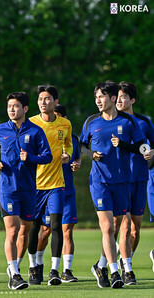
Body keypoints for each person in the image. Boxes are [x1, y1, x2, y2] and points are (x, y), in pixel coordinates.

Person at [80, 81, 145, 289]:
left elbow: (141, 145)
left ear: (113, 98)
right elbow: (81, 145)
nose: (98, 100)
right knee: (108, 227)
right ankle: (114, 270)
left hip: (124, 181)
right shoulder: (91, 121)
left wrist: (133, 147)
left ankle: (116, 267)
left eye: (102, 96)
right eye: (96, 97)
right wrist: (91, 155)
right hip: (100, 182)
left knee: (123, 226)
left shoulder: (128, 122)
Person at [0, 92, 52, 290]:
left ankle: (15, 267)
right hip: (7, 188)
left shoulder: (35, 131)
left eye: (16, 106)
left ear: (25, 109)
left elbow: (48, 156)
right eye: (9, 106)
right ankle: (15, 273)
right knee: (12, 230)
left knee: (24, 233)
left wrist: (31, 158)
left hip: (28, 189)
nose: (11, 109)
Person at [24, 86, 73, 286]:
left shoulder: (65, 124)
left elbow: (68, 143)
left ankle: (54, 270)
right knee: (34, 227)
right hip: (34, 184)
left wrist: (67, 155)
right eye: (41, 99)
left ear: (56, 102)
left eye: (47, 99)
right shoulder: (31, 123)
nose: (43, 102)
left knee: (55, 226)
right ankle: (34, 266)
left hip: (56, 183)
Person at [34, 104, 81, 283]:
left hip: (66, 190)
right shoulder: (41, 135)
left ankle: (66, 270)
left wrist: (76, 163)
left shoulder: (72, 138)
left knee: (66, 230)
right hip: (47, 188)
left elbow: (76, 156)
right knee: (45, 231)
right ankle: (38, 263)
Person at [115, 82, 154, 283]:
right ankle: (120, 267)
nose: (119, 100)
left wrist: (152, 153)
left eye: (123, 96)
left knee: (135, 229)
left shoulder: (144, 122)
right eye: (117, 96)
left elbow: (152, 147)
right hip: (119, 180)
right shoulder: (110, 121)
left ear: (133, 100)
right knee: (123, 225)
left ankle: (123, 262)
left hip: (140, 179)